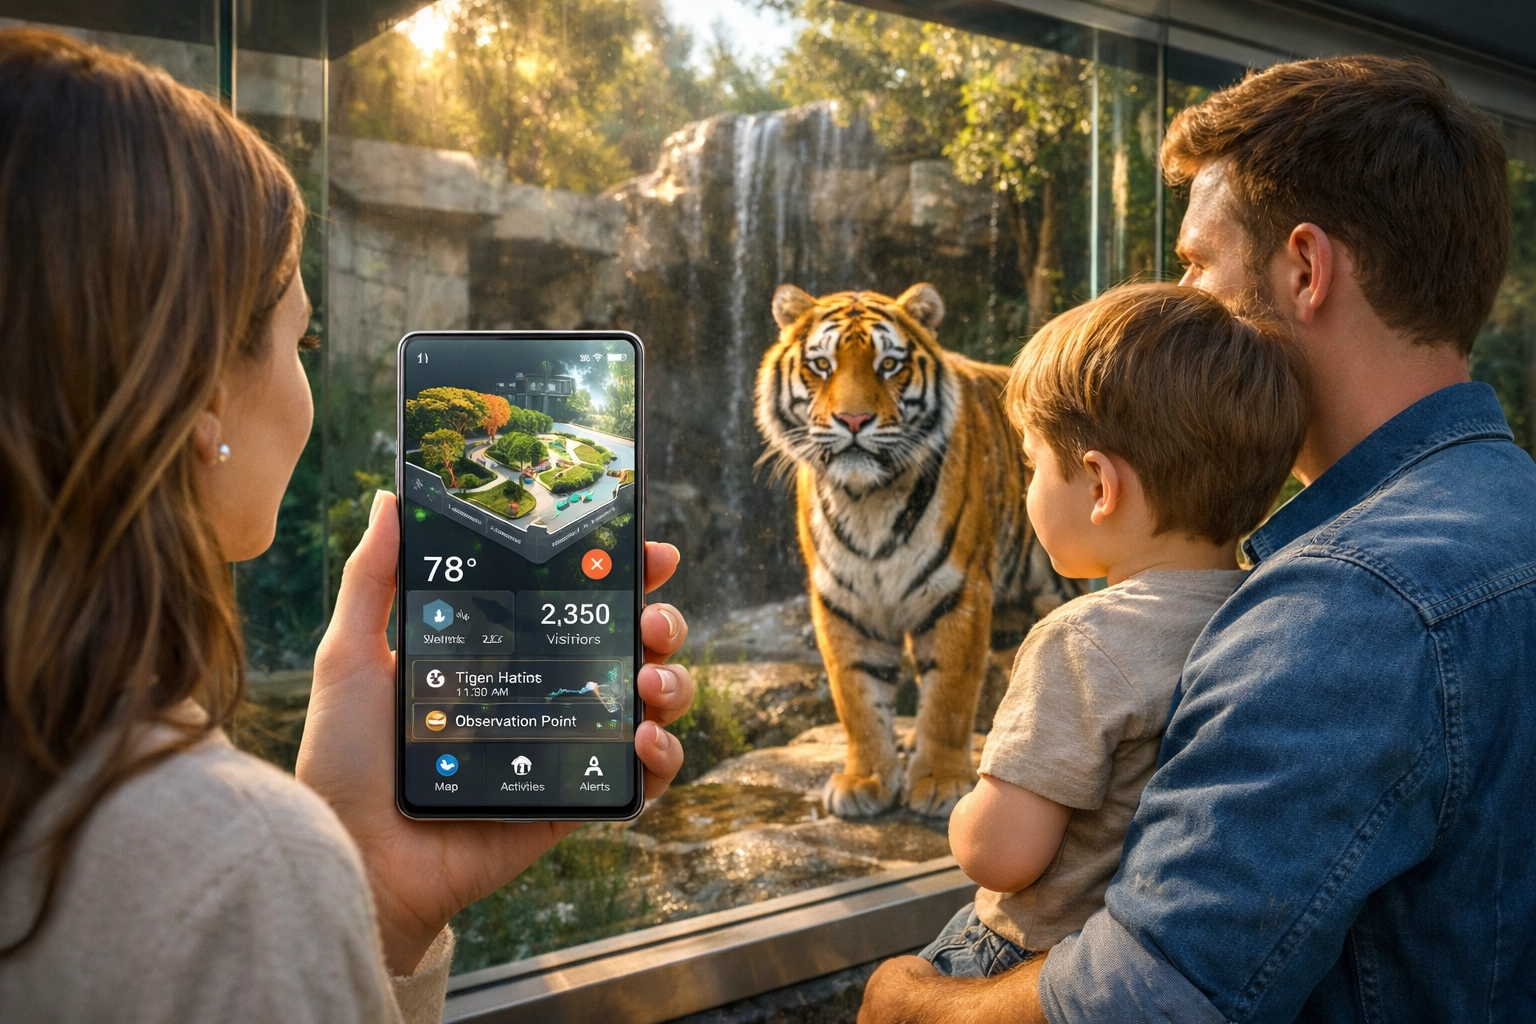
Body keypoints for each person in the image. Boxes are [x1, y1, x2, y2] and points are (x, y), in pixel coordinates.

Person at [0, 29, 697, 1022]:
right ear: (201, 399)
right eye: (299, 339)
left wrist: (374, 895)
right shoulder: (231, 867)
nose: (306, 388)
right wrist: (305, 869)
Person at [861, 54, 1536, 1023]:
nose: (1177, 296)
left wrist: (908, 1000)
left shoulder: (1349, 603)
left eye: (1194, 264)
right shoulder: (1507, 512)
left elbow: (1143, 1001)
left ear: (1305, 269)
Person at [921, 283, 1305, 979]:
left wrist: (969, 808)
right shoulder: (1267, 606)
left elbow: (1000, 856)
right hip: (1152, 949)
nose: (1027, 485)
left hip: (1023, 955)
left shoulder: (1081, 640)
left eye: (1033, 463)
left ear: (1099, 486)